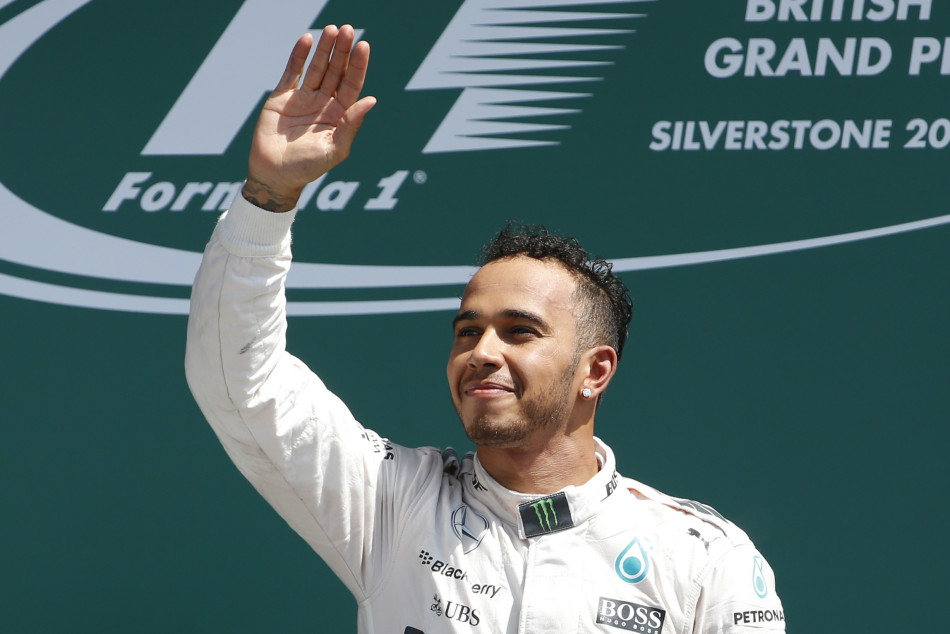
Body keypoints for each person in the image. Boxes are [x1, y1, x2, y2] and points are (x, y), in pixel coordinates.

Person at [185, 25, 786, 633]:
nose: (482, 352)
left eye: (520, 331)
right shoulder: (394, 502)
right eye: (467, 332)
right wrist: (270, 194)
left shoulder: (704, 557)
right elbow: (240, 379)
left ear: (595, 370)